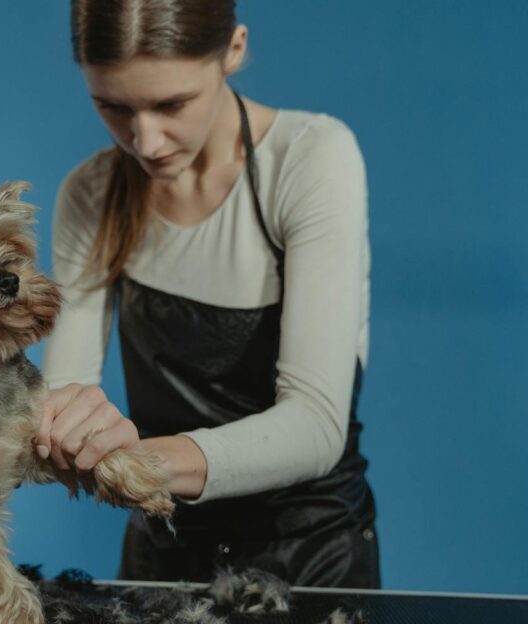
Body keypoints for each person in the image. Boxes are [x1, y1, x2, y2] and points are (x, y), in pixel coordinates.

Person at [35, 0, 379, 588]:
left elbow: (316, 424)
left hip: (309, 554)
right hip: (162, 553)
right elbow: (61, 403)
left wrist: (137, 461)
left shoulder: (310, 158)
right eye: (112, 106)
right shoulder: (89, 194)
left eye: (171, 104)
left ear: (234, 50)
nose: (145, 140)